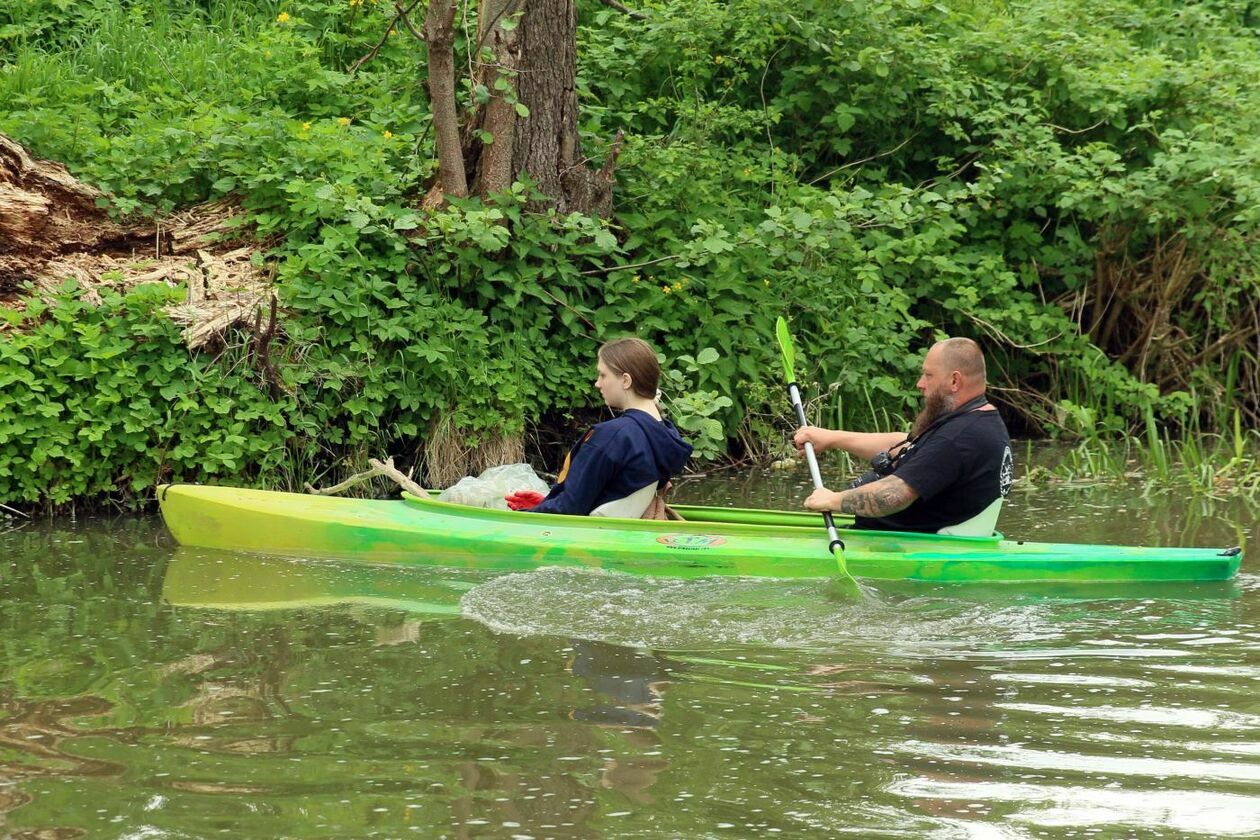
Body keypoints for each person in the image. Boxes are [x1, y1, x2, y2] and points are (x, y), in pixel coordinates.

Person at [793, 337, 1013, 534]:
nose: (920, 384)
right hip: (903, 538)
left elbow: (894, 495)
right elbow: (906, 446)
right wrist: (832, 438)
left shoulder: (959, 438)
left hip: (912, 548)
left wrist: (833, 500)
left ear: (955, 381)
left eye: (928, 375)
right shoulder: (979, 420)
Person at [506, 337, 693, 517]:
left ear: (626, 381)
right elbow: (617, 492)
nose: (597, 383)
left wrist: (529, 514)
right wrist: (547, 502)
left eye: (603, 375)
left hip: (593, 534)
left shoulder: (611, 436)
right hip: (617, 532)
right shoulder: (665, 434)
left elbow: (569, 509)